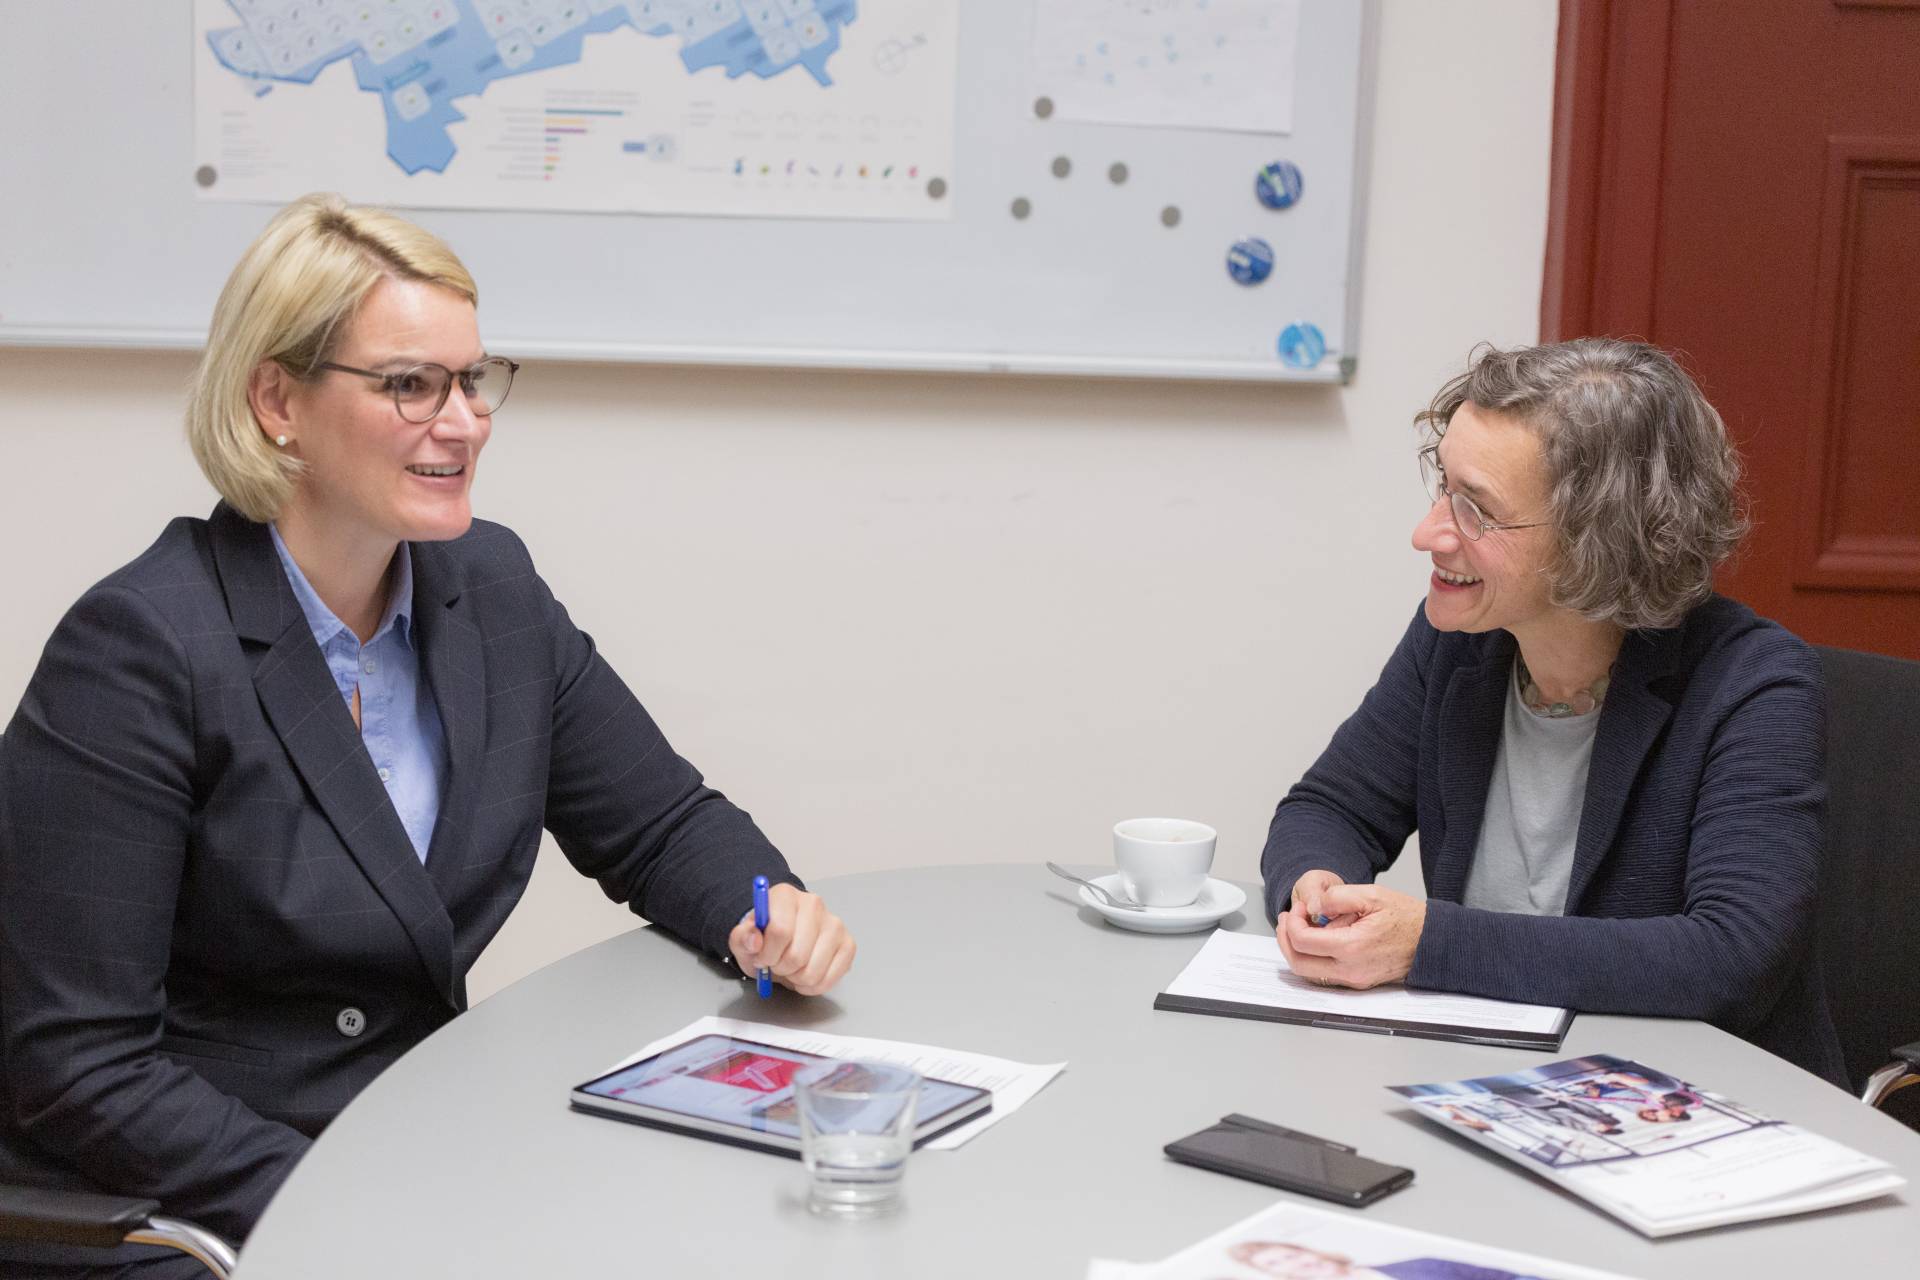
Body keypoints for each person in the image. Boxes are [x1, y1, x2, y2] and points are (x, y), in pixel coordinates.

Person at [0, 194, 855, 1274]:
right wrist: (351, 1196)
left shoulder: (489, 587)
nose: (462, 421)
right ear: (277, 400)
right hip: (184, 1208)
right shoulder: (138, 648)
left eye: (473, 380)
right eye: (410, 384)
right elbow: (80, 1067)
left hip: (414, 1143)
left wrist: (764, 912)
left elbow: (660, 825)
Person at [1260, 339, 1846, 1087]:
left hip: (1699, 1116)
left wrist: (1425, 944)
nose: (1429, 533)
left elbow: (1731, 956)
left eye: (1477, 510)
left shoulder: (1755, 683)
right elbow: (1331, 805)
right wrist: (1317, 888)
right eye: (1444, 487)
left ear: (1599, 541)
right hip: (1490, 1089)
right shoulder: (1461, 643)